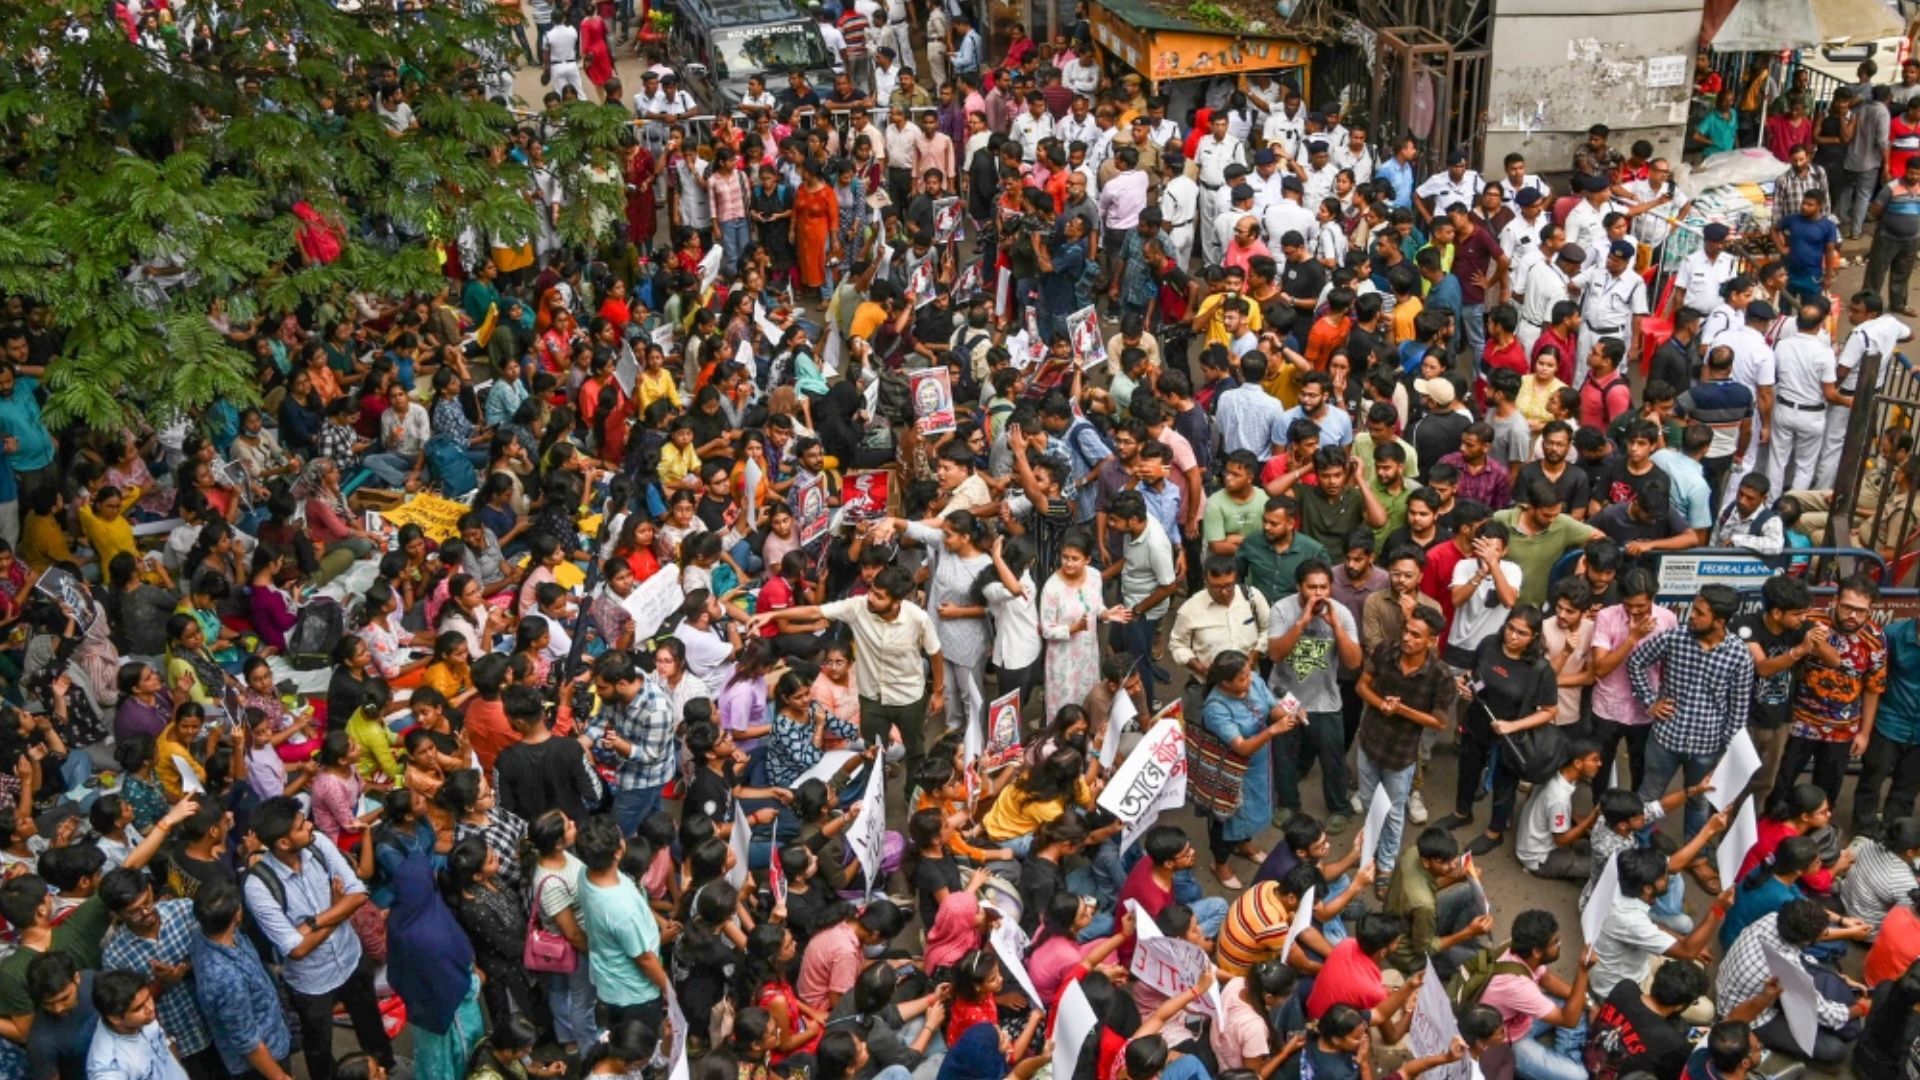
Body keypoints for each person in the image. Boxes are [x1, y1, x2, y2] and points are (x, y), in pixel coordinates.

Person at [1628, 585, 1754, 846]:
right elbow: (1636, 661)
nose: (1691, 616)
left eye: (1699, 612)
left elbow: (1738, 713)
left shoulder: (1739, 655)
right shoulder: (1675, 637)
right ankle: (1637, 844)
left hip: (1707, 746)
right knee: (1649, 794)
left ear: (1719, 621)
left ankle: (1693, 853)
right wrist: (1650, 701)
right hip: (1665, 737)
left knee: (1699, 801)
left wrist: (1724, 758)